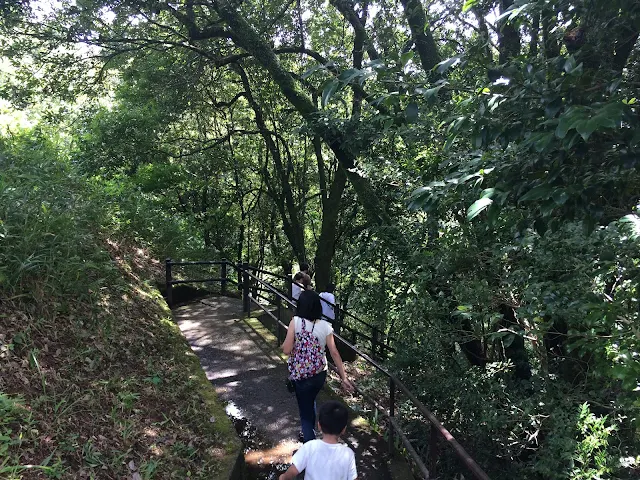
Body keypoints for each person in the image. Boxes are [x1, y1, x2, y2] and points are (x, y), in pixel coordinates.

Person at [282, 290, 354, 443]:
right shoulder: (326, 326)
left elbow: (287, 350)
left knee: (304, 411)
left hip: (301, 375)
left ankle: (309, 443)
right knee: (311, 400)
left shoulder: (295, 322)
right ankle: (311, 431)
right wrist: (344, 377)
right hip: (319, 374)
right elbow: (334, 353)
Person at [279, 401, 357, 480]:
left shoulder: (310, 447)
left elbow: (292, 472)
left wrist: (283, 477)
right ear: (343, 429)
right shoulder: (348, 454)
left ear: (319, 425)